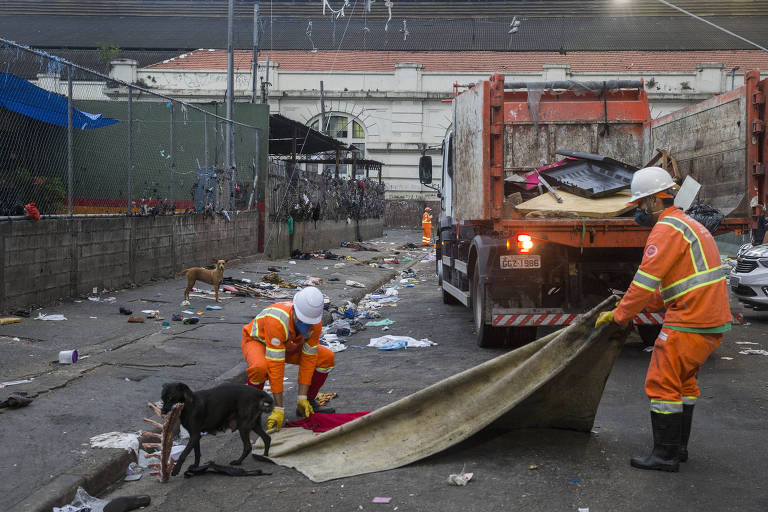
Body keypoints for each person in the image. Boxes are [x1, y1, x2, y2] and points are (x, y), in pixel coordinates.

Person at [595, 166, 731, 472]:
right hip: (709, 321)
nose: (639, 211)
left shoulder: (666, 229)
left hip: (690, 319)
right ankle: (678, 449)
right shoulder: (688, 225)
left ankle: (665, 456)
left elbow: (644, 282)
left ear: (657, 201)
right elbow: (670, 285)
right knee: (684, 384)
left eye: (641, 204)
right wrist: (640, 307)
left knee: (661, 382)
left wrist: (620, 316)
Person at [241, 286, 335, 432]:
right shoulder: (277, 321)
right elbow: (276, 367)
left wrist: (302, 397)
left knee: (326, 358)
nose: (306, 326)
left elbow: (309, 360)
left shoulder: (315, 323)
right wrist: (279, 408)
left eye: (309, 323)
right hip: (258, 342)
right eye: (303, 321)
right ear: (294, 311)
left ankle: (307, 403)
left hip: (289, 344)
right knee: (260, 368)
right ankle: (249, 409)